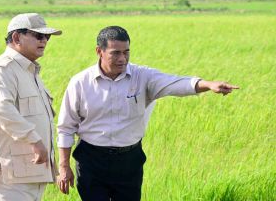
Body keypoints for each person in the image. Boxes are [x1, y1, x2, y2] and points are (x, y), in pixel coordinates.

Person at [56, 26, 239, 201]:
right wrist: (64, 167)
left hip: (129, 160)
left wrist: (207, 85)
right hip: (91, 160)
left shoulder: (142, 76)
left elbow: (174, 83)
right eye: (116, 53)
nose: (122, 58)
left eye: (126, 52)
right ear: (99, 51)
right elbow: (66, 127)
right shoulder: (80, 82)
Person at [0, 13, 62, 201]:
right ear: (16, 37)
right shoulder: (2, 70)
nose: (44, 40)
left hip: (28, 170)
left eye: (47, 36)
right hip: (7, 172)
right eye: (38, 35)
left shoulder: (29, 71)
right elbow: (2, 109)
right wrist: (35, 140)